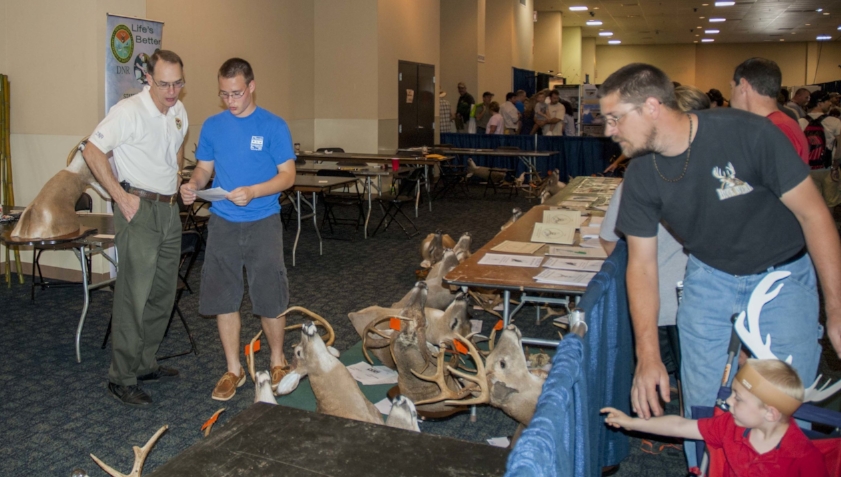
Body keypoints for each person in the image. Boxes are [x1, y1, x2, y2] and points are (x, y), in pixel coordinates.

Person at [599, 63, 841, 470]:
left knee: (778, 404)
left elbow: (816, 216)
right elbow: (641, 266)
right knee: (705, 401)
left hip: (782, 275)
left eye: (613, 118)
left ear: (652, 106)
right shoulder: (641, 173)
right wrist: (649, 355)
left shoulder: (747, 133)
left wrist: (835, 310)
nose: (609, 131)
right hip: (709, 276)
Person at [180, 58, 296, 401]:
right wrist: (193, 184)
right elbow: (204, 168)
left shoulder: (273, 125)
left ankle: (277, 361)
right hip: (223, 223)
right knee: (223, 296)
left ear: (251, 86)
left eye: (237, 93)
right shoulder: (214, 127)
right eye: (224, 94)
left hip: (262, 220)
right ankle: (234, 369)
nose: (230, 100)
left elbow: (287, 175)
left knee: (270, 294)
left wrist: (255, 191)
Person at [83, 49, 188, 406]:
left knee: (163, 294)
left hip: (170, 212)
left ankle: (145, 363)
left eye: (177, 83)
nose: (171, 91)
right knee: (133, 297)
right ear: (147, 79)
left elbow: (174, 153)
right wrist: (119, 196)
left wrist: (180, 178)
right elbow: (91, 151)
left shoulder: (178, 112)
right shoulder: (127, 112)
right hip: (137, 210)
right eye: (164, 84)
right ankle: (122, 377)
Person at [602, 359, 828, 477]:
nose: (728, 402)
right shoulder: (729, 426)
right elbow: (680, 425)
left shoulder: (804, 458)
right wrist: (632, 423)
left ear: (770, 413)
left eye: (738, 398)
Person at [729, 58, 809, 164]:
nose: (731, 94)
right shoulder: (779, 124)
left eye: (732, 87)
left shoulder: (776, 130)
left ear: (743, 85)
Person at [798, 90, 841, 168]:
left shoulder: (800, 122)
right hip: (825, 167)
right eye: (827, 101)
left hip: (804, 167)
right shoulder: (835, 121)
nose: (830, 103)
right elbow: (840, 145)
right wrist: (836, 163)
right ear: (820, 104)